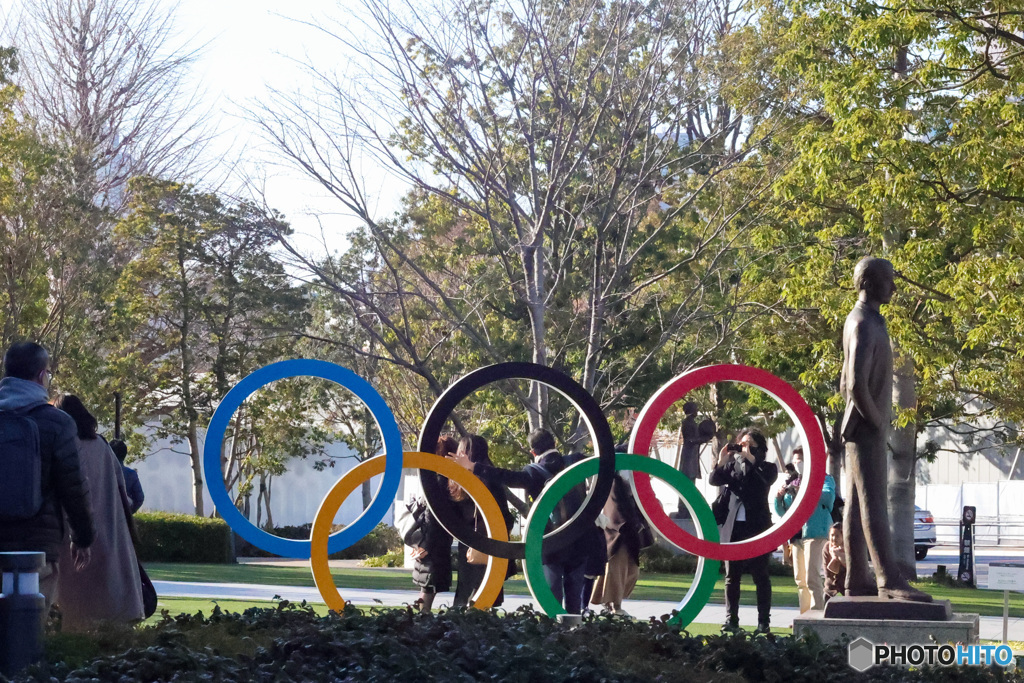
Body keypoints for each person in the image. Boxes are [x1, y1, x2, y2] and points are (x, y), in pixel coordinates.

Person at [840, 257, 930, 602]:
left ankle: (856, 579)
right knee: (874, 499)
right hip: (866, 425)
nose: (894, 286)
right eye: (889, 279)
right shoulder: (864, 322)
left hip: (860, 423)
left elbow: (844, 378)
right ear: (870, 283)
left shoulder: (864, 319)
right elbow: (854, 383)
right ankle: (888, 579)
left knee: (856, 504)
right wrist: (877, 421)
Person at [0, 342, 94, 612]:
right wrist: (83, 538)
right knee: (30, 629)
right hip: (35, 552)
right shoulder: (57, 423)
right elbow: (74, 488)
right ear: (42, 376)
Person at [456, 428, 590, 614]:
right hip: (579, 538)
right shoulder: (576, 461)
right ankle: (576, 632)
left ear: (533, 452)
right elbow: (608, 458)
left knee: (552, 599)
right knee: (574, 598)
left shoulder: (533, 472)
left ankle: (556, 635)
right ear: (555, 444)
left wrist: (474, 467)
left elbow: (507, 477)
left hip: (551, 541)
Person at [54, 395, 145, 630]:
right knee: (108, 609)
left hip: (70, 533)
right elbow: (121, 493)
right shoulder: (102, 447)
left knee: (69, 608)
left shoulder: (61, 446)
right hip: (107, 536)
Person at [710, 428, 778, 633]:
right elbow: (714, 479)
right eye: (742, 444)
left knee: (761, 575)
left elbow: (760, 485)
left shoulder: (767, 468)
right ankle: (732, 620)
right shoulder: (732, 466)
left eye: (750, 445)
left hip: (757, 527)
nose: (744, 448)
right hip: (734, 527)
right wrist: (721, 460)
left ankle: (763, 622)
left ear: (760, 449)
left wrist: (750, 459)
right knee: (732, 576)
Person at [450, 434, 515, 608]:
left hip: (468, 543)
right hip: (489, 541)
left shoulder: (456, 481)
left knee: (467, 592)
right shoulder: (490, 478)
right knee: (486, 595)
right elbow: (504, 515)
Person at [773, 446, 835, 612]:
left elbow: (828, 499)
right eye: (794, 461)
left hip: (815, 532)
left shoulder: (823, 479)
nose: (796, 464)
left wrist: (806, 490)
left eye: (799, 461)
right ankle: (804, 614)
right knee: (800, 579)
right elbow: (783, 512)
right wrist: (778, 498)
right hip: (797, 534)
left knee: (811, 576)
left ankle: (816, 614)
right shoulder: (792, 482)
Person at [402, 437, 456, 613]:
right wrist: (426, 545)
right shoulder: (442, 481)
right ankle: (421, 623)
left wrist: (423, 544)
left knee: (427, 588)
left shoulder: (435, 479)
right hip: (435, 542)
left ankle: (420, 620)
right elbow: (433, 516)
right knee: (428, 588)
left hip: (431, 540)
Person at [590, 471, 642, 615]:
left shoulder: (621, 482)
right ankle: (615, 605)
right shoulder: (614, 482)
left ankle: (610, 603)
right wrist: (628, 524)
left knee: (628, 571)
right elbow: (615, 508)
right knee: (617, 570)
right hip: (619, 532)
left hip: (625, 532)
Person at [109, 439, 144, 514]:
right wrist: (128, 513)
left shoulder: (101, 472)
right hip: (123, 515)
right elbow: (139, 498)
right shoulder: (131, 474)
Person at [823, 522, 847, 603]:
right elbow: (827, 571)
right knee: (827, 594)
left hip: (847, 579)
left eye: (837, 536)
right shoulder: (827, 547)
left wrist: (840, 555)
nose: (834, 538)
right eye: (832, 535)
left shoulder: (848, 547)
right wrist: (834, 558)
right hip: (832, 578)